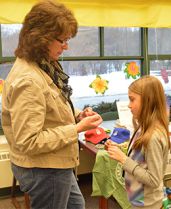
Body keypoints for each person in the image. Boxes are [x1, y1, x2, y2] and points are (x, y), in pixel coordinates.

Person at [1, 1, 102, 209]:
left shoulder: (43, 64)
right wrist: (77, 129)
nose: (66, 46)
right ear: (41, 38)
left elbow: (51, 105)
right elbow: (28, 141)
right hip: (44, 169)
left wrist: (77, 115)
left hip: (56, 164)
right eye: (62, 40)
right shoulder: (28, 80)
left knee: (77, 206)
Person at [105, 75, 170, 209]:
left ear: (148, 101)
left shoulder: (153, 137)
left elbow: (153, 179)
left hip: (148, 204)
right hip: (138, 200)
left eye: (132, 99)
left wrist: (123, 159)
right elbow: (140, 157)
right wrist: (118, 149)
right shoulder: (142, 128)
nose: (129, 105)